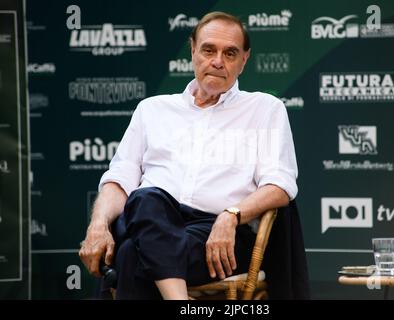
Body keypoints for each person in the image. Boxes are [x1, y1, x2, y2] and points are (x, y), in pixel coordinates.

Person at [79, 11, 298, 300]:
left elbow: (280, 185)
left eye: (230, 53)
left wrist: (231, 216)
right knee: (146, 199)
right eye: (209, 50)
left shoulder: (265, 109)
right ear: (193, 50)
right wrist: (97, 226)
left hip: (218, 239)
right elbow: (119, 181)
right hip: (153, 219)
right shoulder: (152, 109)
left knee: (131, 253)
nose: (218, 61)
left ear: (244, 60)